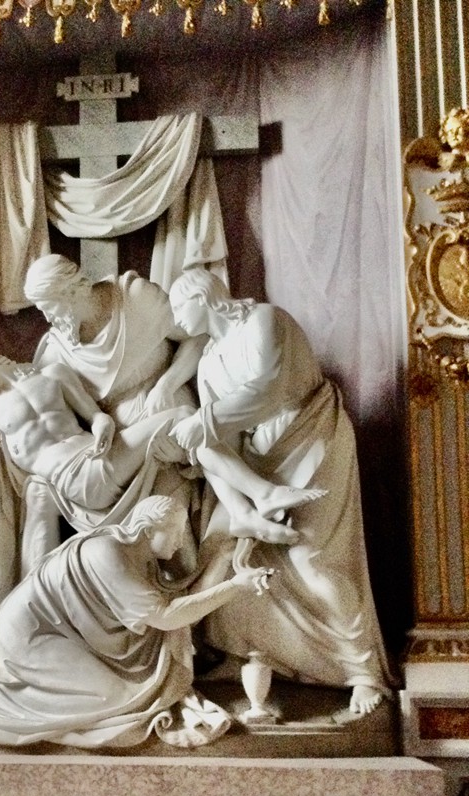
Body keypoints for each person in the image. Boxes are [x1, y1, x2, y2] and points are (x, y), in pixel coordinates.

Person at [167, 267, 391, 716]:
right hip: (259, 457)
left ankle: (362, 670)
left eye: (179, 307)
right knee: (227, 553)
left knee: (312, 558)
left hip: (309, 434)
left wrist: (203, 425)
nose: (177, 320)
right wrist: (209, 448)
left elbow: (270, 388)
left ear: (203, 298)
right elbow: (222, 437)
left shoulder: (264, 320)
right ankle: (251, 653)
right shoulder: (209, 360)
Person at [0, 496, 273, 749]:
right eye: (174, 533)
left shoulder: (137, 555)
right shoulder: (111, 555)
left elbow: (171, 599)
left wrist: (227, 563)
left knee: (127, 690)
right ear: (147, 529)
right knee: (115, 700)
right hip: (30, 640)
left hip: (66, 638)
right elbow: (167, 615)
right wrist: (235, 587)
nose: (177, 543)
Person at [21, 253, 202, 563]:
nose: (48, 319)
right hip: (115, 444)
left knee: (167, 506)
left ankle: (181, 574)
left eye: (47, 308)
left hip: (162, 406)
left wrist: (167, 385)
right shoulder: (57, 349)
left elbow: (198, 336)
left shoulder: (135, 298)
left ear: (68, 292)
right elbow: (45, 409)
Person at [0, 360, 192, 575]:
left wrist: (102, 426)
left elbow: (96, 416)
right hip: (77, 480)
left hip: (102, 456)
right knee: (180, 416)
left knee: (181, 415)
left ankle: (204, 469)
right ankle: (30, 598)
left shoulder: (53, 373)